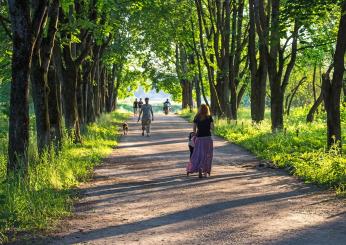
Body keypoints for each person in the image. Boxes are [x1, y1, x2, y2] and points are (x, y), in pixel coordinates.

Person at [186, 104, 214, 178]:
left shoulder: (196, 117)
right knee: (207, 155)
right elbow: (212, 128)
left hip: (199, 138)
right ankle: (205, 172)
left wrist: (194, 135)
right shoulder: (209, 117)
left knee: (198, 155)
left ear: (200, 110)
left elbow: (194, 129)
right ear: (207, 110)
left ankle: (200, 171)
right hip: (208, 138)